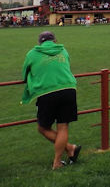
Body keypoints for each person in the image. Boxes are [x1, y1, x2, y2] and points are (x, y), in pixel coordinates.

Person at [22, 31, 82, 169]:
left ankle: (58, 161)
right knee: (63, 127)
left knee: (43, 127)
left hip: (47, 92)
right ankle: (69, 150)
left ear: (40, 42)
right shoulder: (63, 50)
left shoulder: (32, 54)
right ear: (54, 40)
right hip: (69, 89)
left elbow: (24, 74)